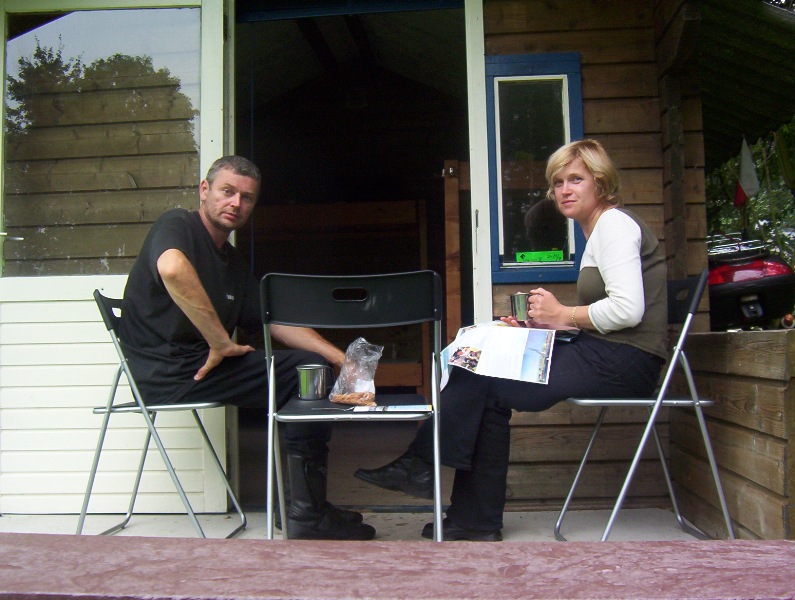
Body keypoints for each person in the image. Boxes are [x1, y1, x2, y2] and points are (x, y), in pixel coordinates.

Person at [355, 139, 667, 541]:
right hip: (605, 351)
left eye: (576, 179)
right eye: (558, 182)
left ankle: (427, 470)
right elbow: (609, 317)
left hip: (626, 361)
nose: (565, 190)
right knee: (477, 367)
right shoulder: (598, 231)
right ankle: (469, 514)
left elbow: (628, 312)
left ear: (601, 182)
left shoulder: (614, 225)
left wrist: (563, 314)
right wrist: (550, 325)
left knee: (481, 374)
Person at [119, 155, 375, 541]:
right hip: (168, 372)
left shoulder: (232, 261)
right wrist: (219, 341)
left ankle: (306, 506)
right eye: (227, 191)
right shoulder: (178, 225)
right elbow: (171, 268)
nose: (236, 203)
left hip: (198, 368)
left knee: (312, 366)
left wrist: (343, 359)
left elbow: (274, 321)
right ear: (204, 191)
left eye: (247, 197)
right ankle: (305, 513)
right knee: (304, 371)